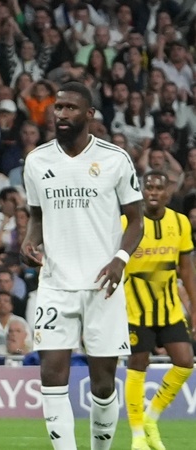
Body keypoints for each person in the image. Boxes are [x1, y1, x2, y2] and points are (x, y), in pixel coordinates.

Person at [20, 81, 144, 450]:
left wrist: (120, 259)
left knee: (103, 384)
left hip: (102, 286)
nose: (62, 114)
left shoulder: (114, 159)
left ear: (89, 114)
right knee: (51, 375)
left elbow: (136, 221)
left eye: (71, 108)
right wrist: (29, 241)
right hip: (55, 284)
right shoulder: (37, 161)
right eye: (58, 107)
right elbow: (36, 215)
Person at [122, 170, 196, 450]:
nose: (153, 192)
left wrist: (194, 307)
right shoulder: (125, 223)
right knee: (137, 365)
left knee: (185, 362)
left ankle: (151, 418)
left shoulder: (180, 222)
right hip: (135, 309)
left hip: (169, 308)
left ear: (168, 193)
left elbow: (186, 269)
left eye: (158, 188)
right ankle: (137, 436)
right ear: (142, 191)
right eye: (149, 187)